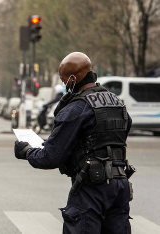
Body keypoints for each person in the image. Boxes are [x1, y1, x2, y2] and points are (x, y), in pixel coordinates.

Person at [14, 52, 135, 234]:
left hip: (91, 189)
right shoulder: (117, 102)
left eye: (64, 81)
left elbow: (51, 157)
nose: (64, 85)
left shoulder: (76, 108)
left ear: (72, 79)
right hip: (120, 186)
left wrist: (27, 152)